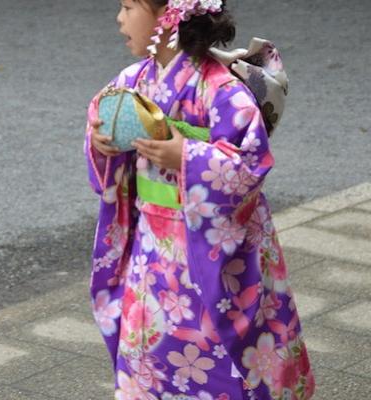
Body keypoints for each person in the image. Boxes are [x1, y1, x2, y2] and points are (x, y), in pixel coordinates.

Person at [84, 1, 315, 399]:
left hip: (210, 254)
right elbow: (103, 128)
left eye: (127, 6)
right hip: (152, 250)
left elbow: (249, 164)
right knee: (150, 350)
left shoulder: (222, 90)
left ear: (167, 16)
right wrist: (103, 144)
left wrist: (186, 156)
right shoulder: (134, 80)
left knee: (219, 351)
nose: (119, 19)